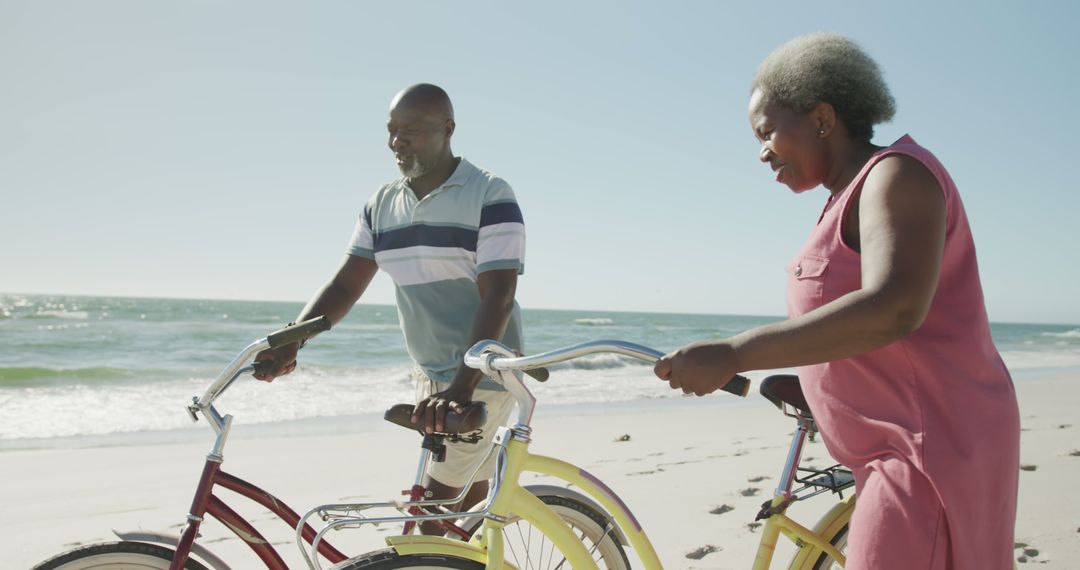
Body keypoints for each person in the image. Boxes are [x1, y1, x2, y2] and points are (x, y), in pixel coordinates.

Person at [654, 33, 1019, 569]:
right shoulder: (841, 197)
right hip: (889, 454)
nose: (761, 153)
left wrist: (735, 352)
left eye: (767, 132)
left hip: (927, 452)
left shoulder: (896, 175)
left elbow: (895, 307)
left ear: (822, 118)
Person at [254, 83, 526, 532]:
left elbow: (499, 296)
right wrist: (292, 341)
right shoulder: (381, 204)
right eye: (392, 131)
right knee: (461, 517)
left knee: (432, 524)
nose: (397, 142)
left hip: (481, 375)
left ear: (448, 129)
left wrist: (462, 385)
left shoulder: (490, 194)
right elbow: (345, 285)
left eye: (412, 131)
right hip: (430, 375)